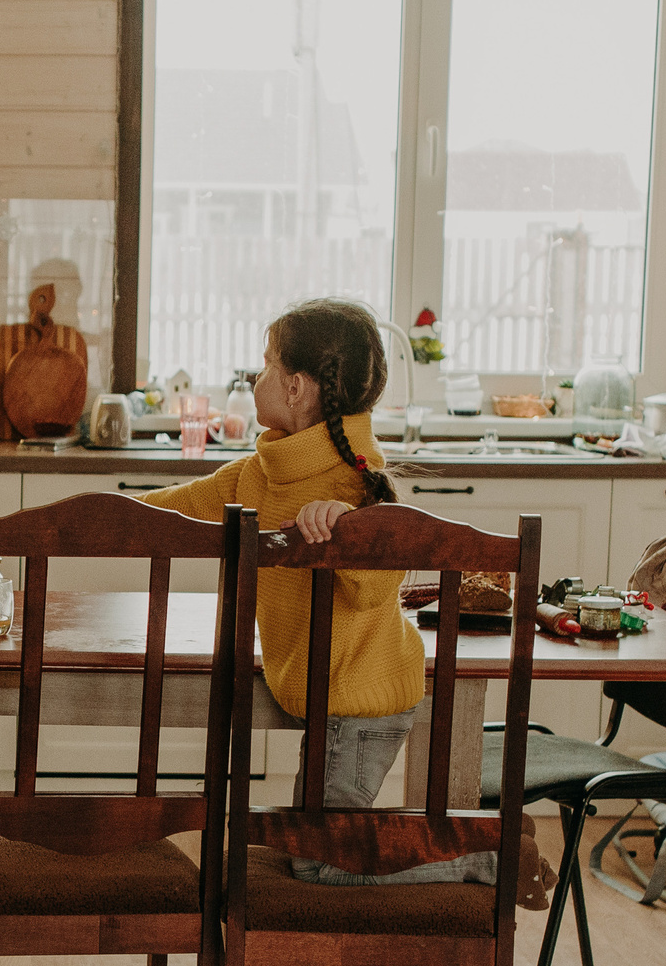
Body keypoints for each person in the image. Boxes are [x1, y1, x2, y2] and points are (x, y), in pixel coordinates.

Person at [137, 298, 544, 896]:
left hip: (360, 705)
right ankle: (465, 839)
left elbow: (377, 584)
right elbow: (172, 508)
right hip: (324, 700)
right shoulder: (263, 469)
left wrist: (345, 532)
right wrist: (81, 518)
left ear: (297, 388)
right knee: (315, 844)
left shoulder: (354, 480)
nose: (255, 378)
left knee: (320, 863)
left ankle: (492, 858)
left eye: (266, 364)